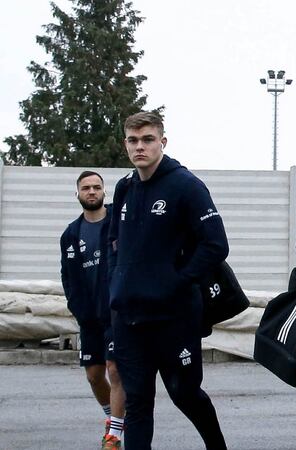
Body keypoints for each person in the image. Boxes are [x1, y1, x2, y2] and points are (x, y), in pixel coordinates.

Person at [108, 112, 228, 450]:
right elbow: (114, 245)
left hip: (173, 318)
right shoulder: (125, 187)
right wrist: (115, 291)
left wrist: (176, 281)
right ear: (126, 144)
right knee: (138, 403)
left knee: (184, 393)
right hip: (129, 319)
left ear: (163, 141)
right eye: (133, 140)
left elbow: (216, 244)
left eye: (147, 139)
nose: (139, 147)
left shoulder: (185, 185)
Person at [60, 171, 126, 449]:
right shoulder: (70, 234)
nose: (92, 192)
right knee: (94, 375)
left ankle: (115, 436)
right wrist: (77, 309)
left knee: (115, 369)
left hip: (116, 313)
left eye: (97, 187)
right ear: (77, 193)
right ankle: (112, 418)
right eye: (86, 188)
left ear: (104, 192)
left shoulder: (118, 223)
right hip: (89, 318)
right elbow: (68, 277)